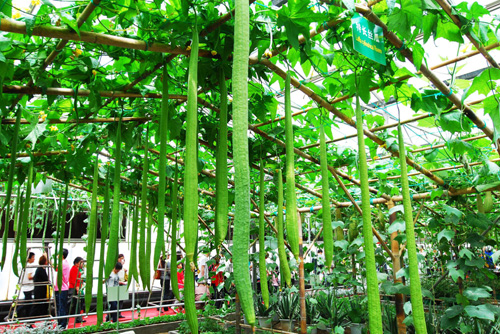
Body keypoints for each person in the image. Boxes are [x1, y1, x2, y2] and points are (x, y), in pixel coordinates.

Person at [54, 248, 70, 329]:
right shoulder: (65, 262)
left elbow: (55, 267)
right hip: (63, 288)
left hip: (62, 288)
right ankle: (62, 323)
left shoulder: (63, 263)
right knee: (62, 306)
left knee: (61, 307)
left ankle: (62, 325)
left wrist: (48, 258)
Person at [18, 252, 35, 318]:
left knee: (26, 303)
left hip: (25, 287)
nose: (34, 259)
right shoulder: (29, 266)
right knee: (27, 304)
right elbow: (29, 277)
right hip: (28, 287)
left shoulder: (24, 265)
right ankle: (13, 314)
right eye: (33, 257)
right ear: (29, 258)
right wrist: (36, 277)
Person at [68, 257, 85, 323]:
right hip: (74, 288)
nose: (82, 264)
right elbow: (74, 281)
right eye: (81, 263)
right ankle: (78, 318)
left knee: (77, 304)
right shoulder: (74, 269)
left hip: (76, 287)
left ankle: (79, 318)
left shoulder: (77, 269)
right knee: (76, 303)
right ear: (76, 263)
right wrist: (78, 289)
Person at [117, 254, 127, 318]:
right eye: (120, 258)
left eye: (123, 259)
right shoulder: (116, 266)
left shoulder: (123, 268)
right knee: (116, 300)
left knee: (121, 300)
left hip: (122, 283)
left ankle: (119, 313)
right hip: (117, 285)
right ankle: (113, 314)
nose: (121, 260)